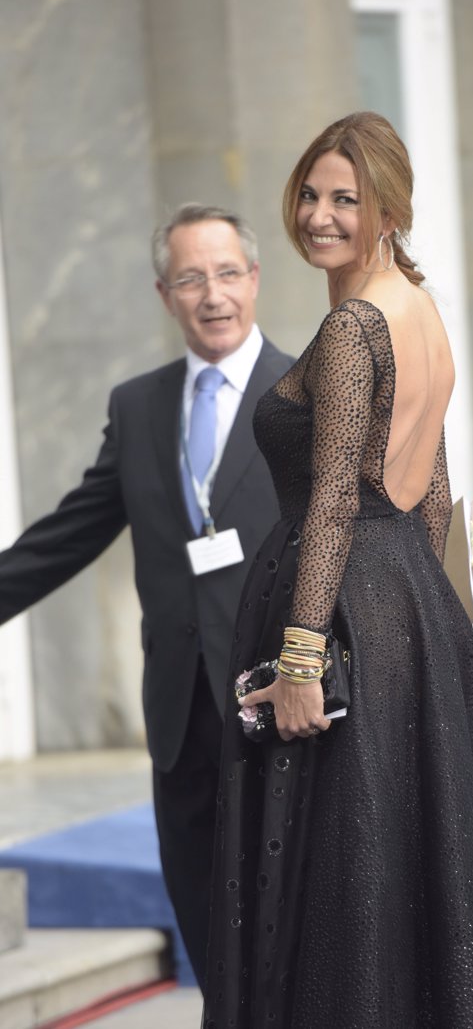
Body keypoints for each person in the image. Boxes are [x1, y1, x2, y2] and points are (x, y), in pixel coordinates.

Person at [201, 114, 473, 1027]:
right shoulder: (416, 305)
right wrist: (441, 642)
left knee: (344, 890)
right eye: (310, 192)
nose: (319, 215)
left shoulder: (355, 325)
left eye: (346, 199)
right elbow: (434, 482)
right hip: (405, 608)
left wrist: (303, 661)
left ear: (390, 209)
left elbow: (338, 498)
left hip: (345, 605)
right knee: (407, 874)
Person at [0, 203, 293, 986]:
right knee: (206, 931)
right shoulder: (137, 406)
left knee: (293, 939)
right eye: (191, 278)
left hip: (285, 711)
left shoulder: (303, 393)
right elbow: (71, 531)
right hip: (181, 717)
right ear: (163, 294)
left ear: (256, 279)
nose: (213, 294)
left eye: (228, 273)